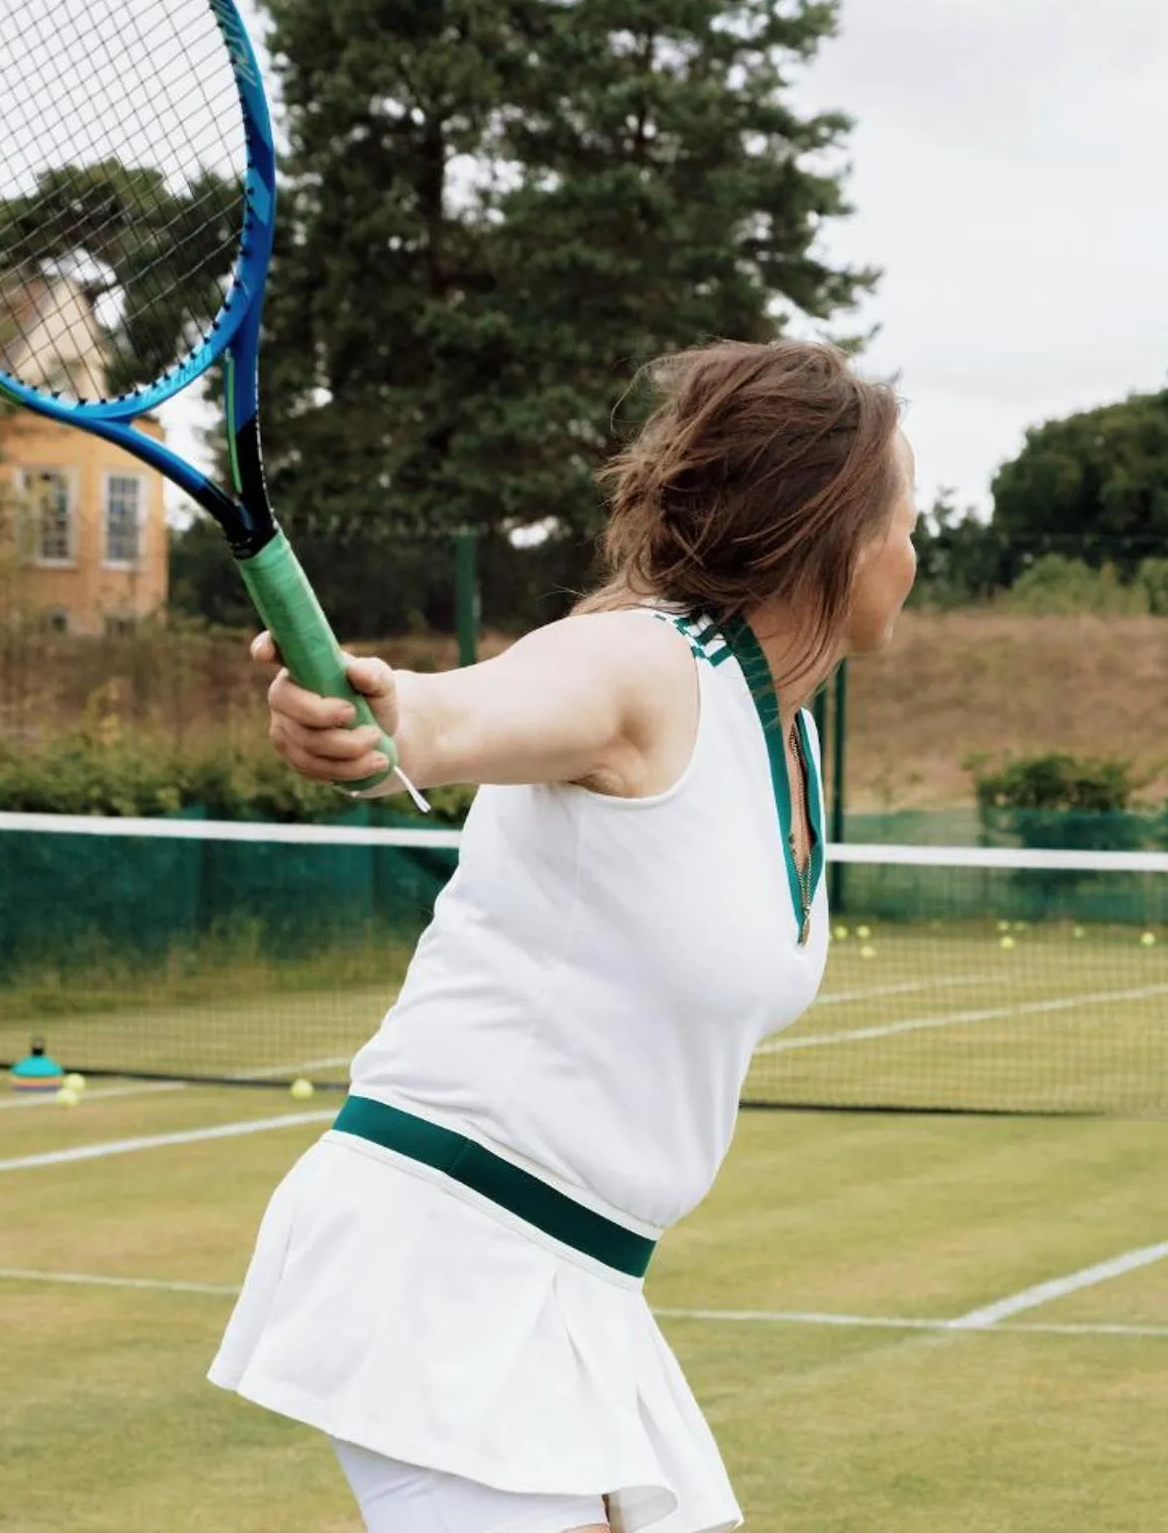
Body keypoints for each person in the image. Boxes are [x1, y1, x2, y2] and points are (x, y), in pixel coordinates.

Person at [209, 341, 918, 1533]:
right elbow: (466, 708)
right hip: (439, 1255)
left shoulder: (782, 735)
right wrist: (397, 720)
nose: (917, 552)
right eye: (906, 518)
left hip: (582, 1280)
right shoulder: (642, 661)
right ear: (834, 535)